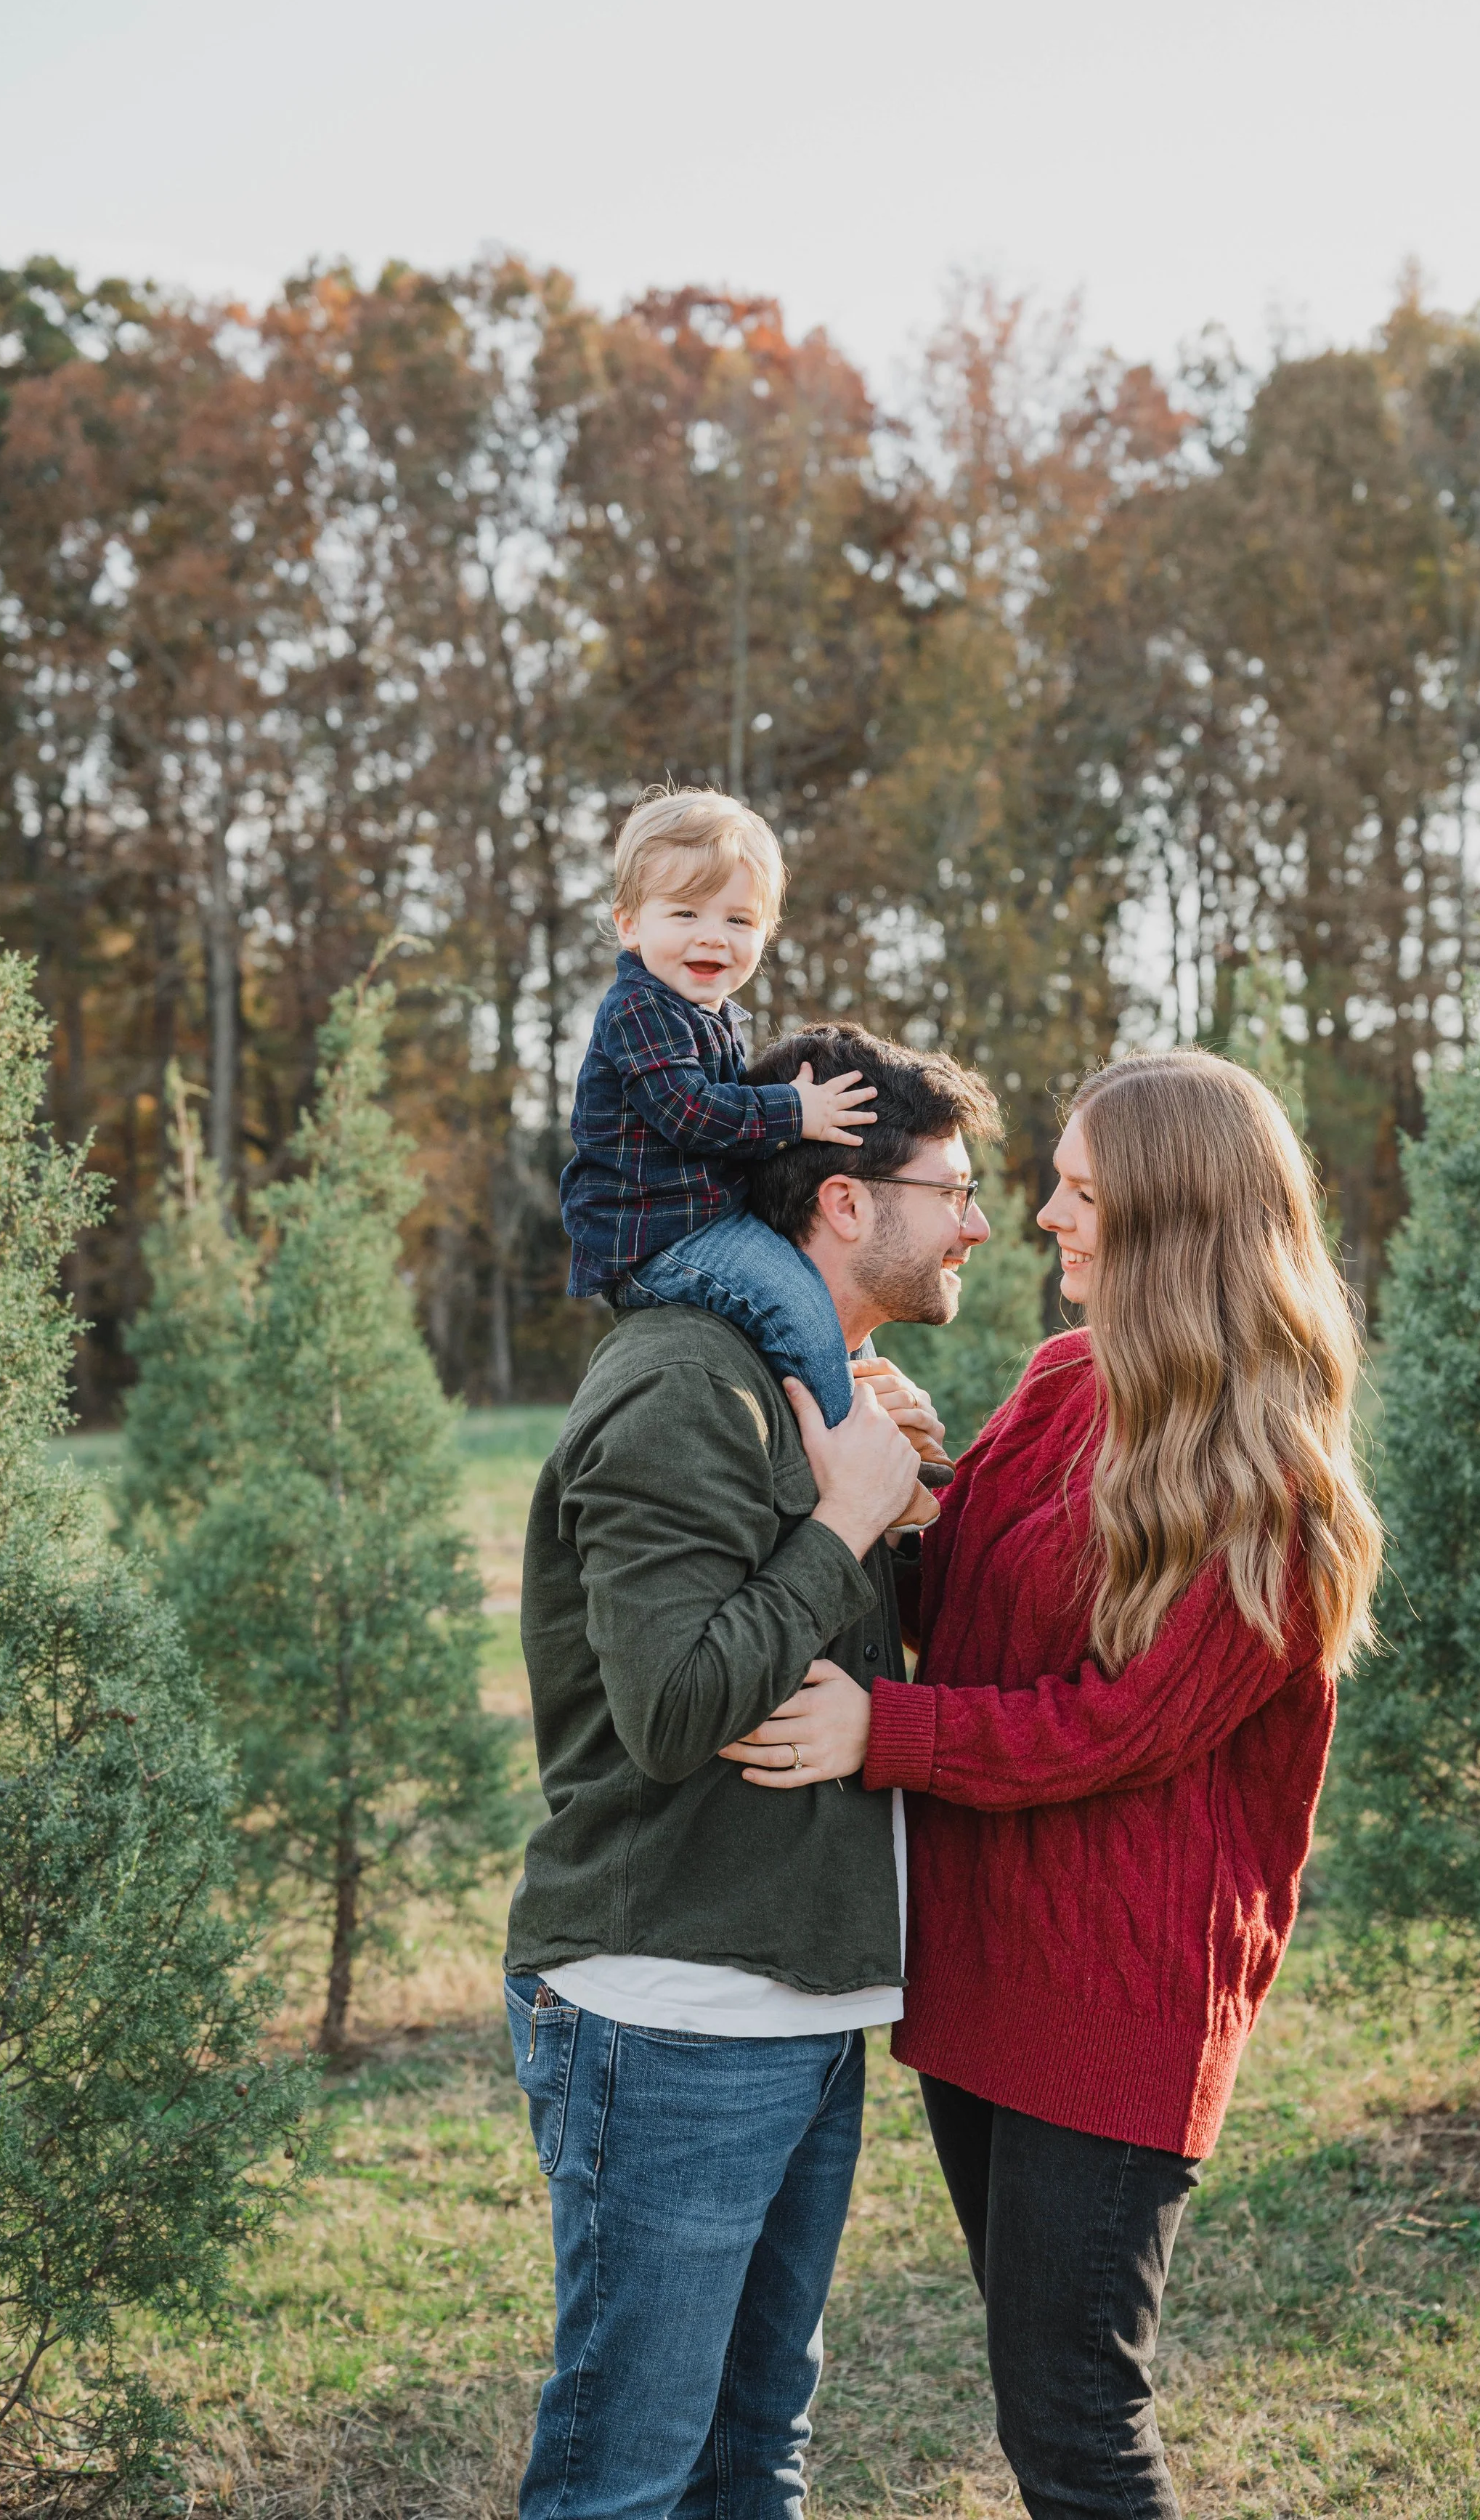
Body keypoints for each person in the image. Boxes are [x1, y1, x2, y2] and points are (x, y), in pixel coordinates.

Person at [723, 1050, 1383, 2520]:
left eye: (1077, 1193)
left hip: (1118, 2002)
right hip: (987, 1972)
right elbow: (952, 1610)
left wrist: (879, 1735)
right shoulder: (1063, 1380)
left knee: (1077, 2422)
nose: (1037, 1217)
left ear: (1171, 1222)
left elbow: (1111, 1727)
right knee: (1042, 2398)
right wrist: (889, 1493)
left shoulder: (1266, 1482)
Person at [505, 1021, 999, 2520]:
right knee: (628, 2480)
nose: (978, 1221)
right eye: (954, 1186)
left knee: (751, 2458)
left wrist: (889, 1515)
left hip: (793, 1998)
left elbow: (831, 1654)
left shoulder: (818, 1384)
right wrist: (842, 1526)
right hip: (670, 2015)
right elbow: (671, 1711)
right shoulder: (682, 1383)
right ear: (844, 1199)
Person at [560, 782, 882, 1434]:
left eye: (737, 920)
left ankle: (881, 1416)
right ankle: (848, 1448)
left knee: (829, 1295)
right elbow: (691, 1113)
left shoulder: (706, 1015)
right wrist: (796, 1112)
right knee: (794, 1303)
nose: (713, 938)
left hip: (706, 1222)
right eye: (685, 915)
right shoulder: (640, 1011)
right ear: (629, 924)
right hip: (658, 1239)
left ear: (765, 932)